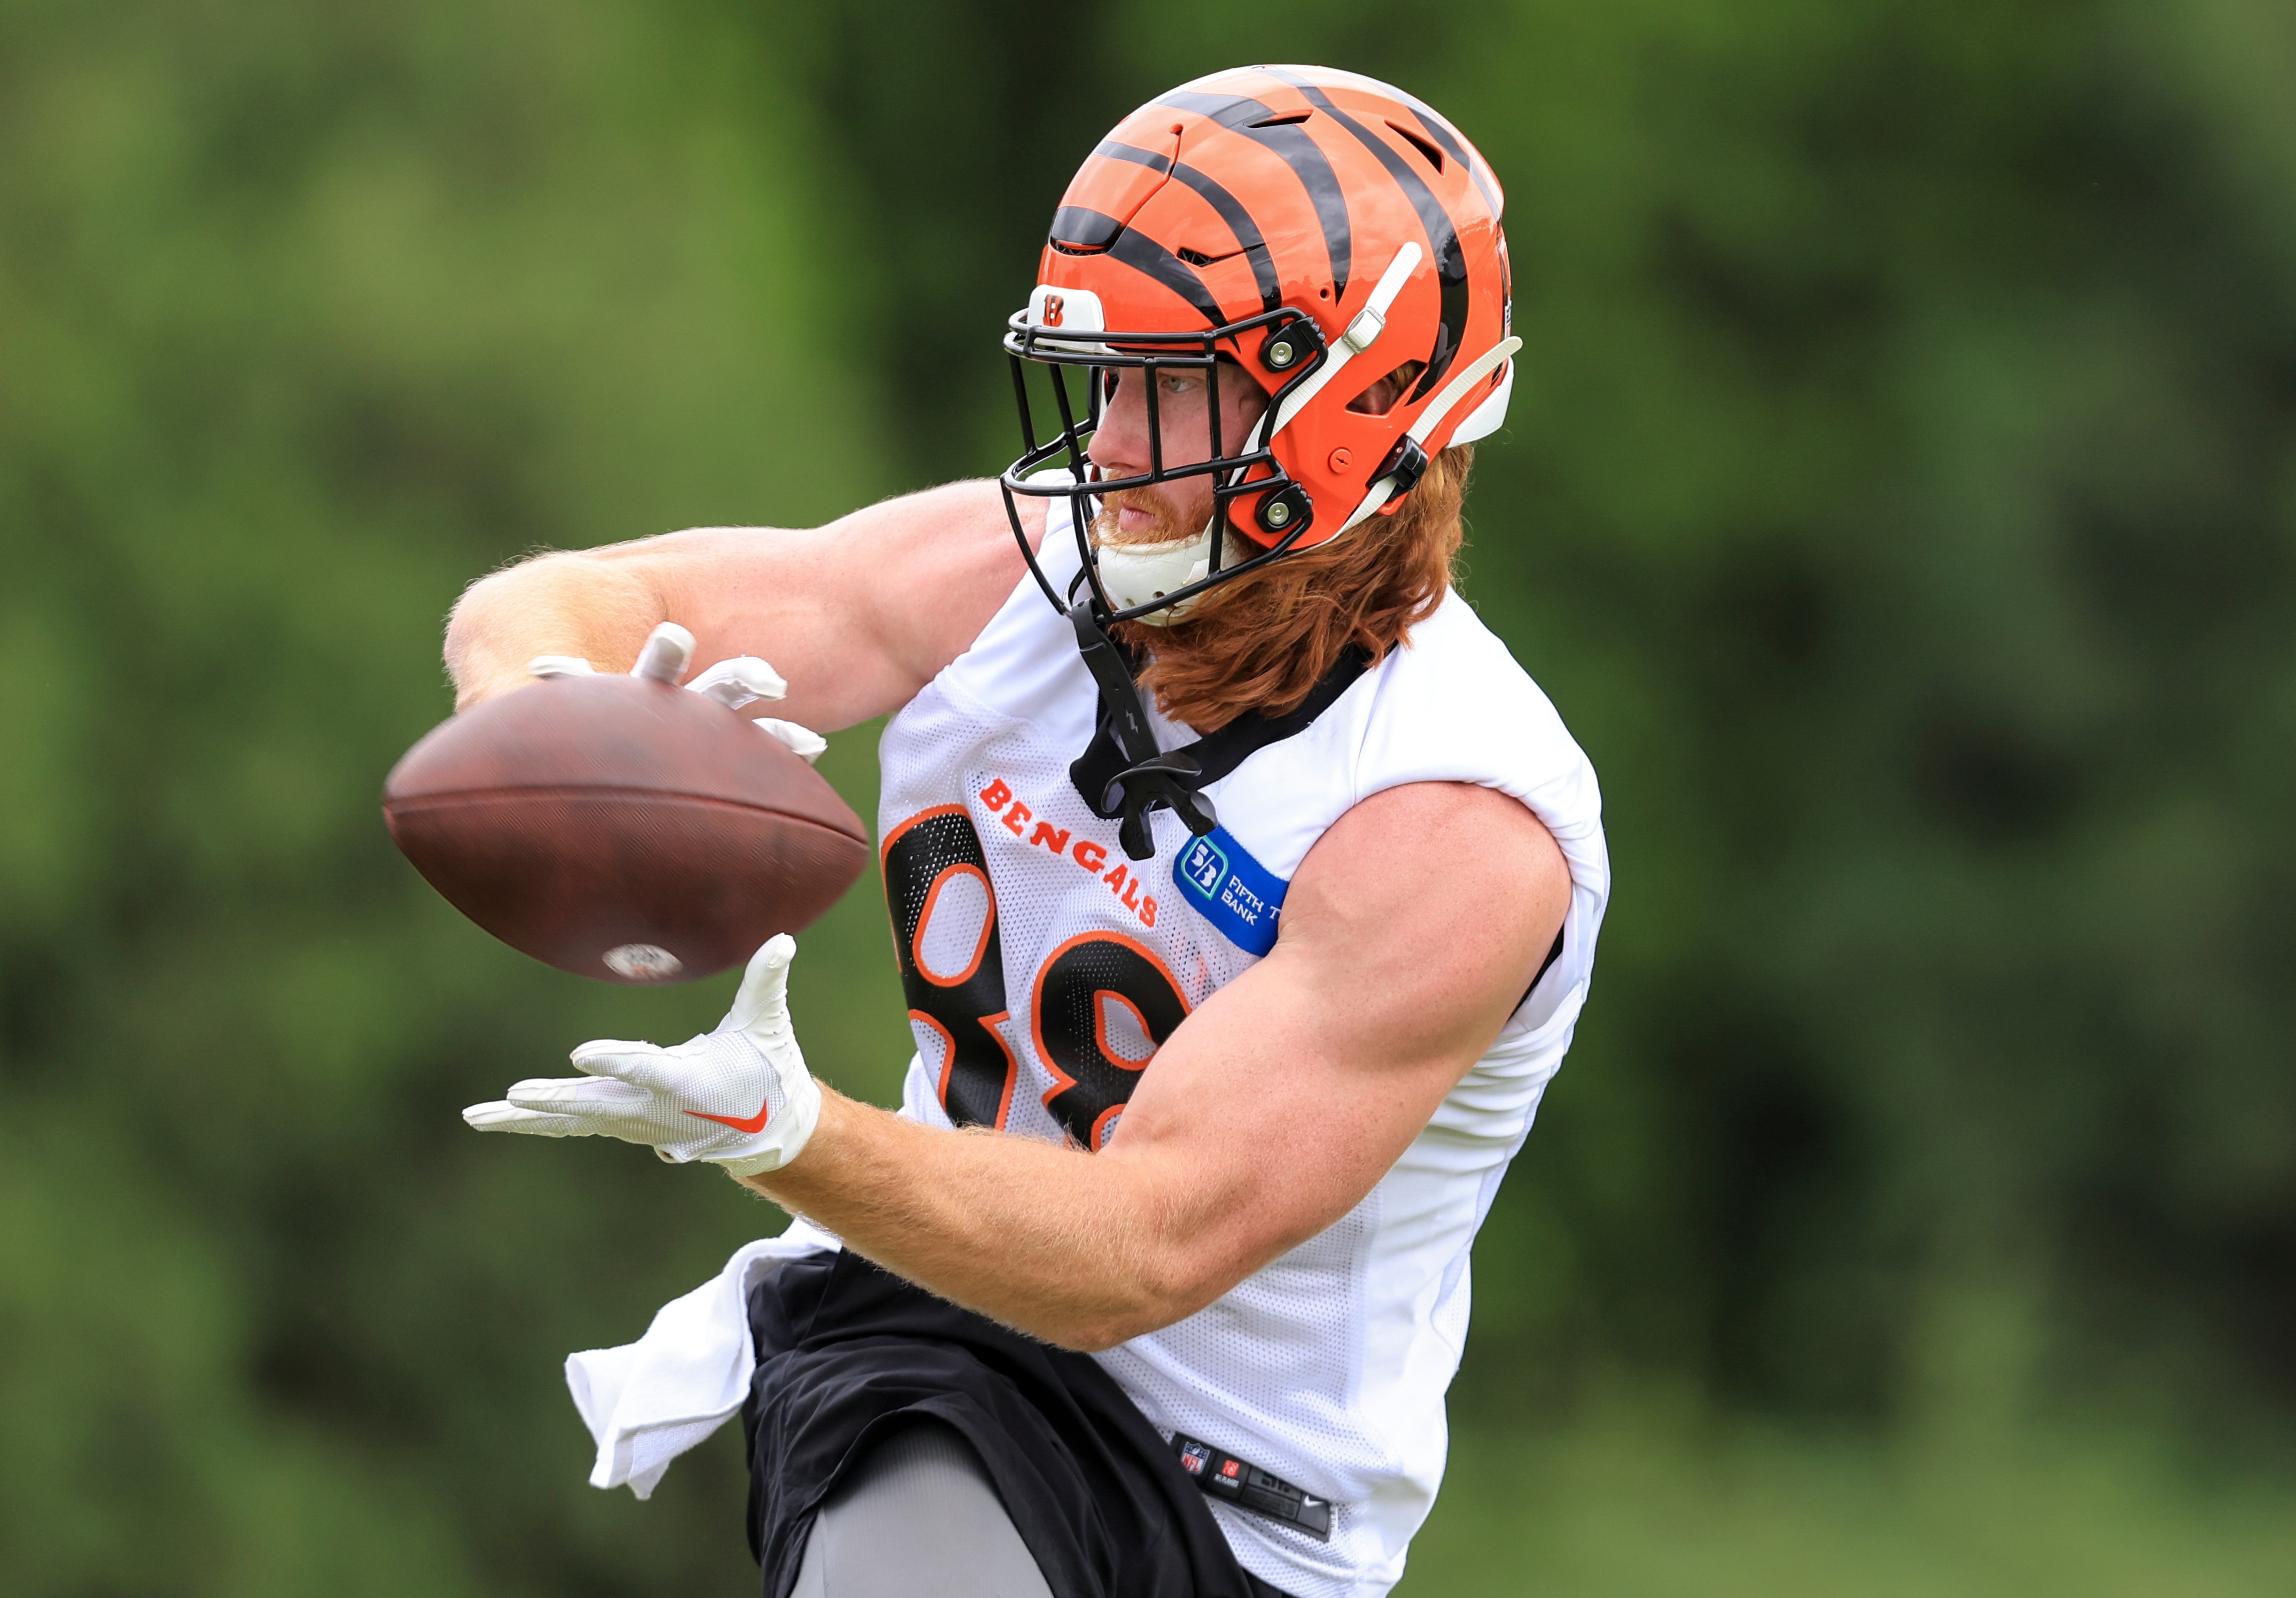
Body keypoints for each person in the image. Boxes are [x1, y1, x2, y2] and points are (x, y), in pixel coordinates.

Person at [446, 64, 1608, 1598]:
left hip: (1243, 1512)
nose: (1110, 446)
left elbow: (1142, 1249)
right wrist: (553, 706)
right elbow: (567, 598)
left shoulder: (1456, 822)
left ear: (1351, 412)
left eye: (1170, 384)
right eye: (1103, 380)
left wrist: (788, 1135)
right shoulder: (1013, 579)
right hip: (935, 1342)